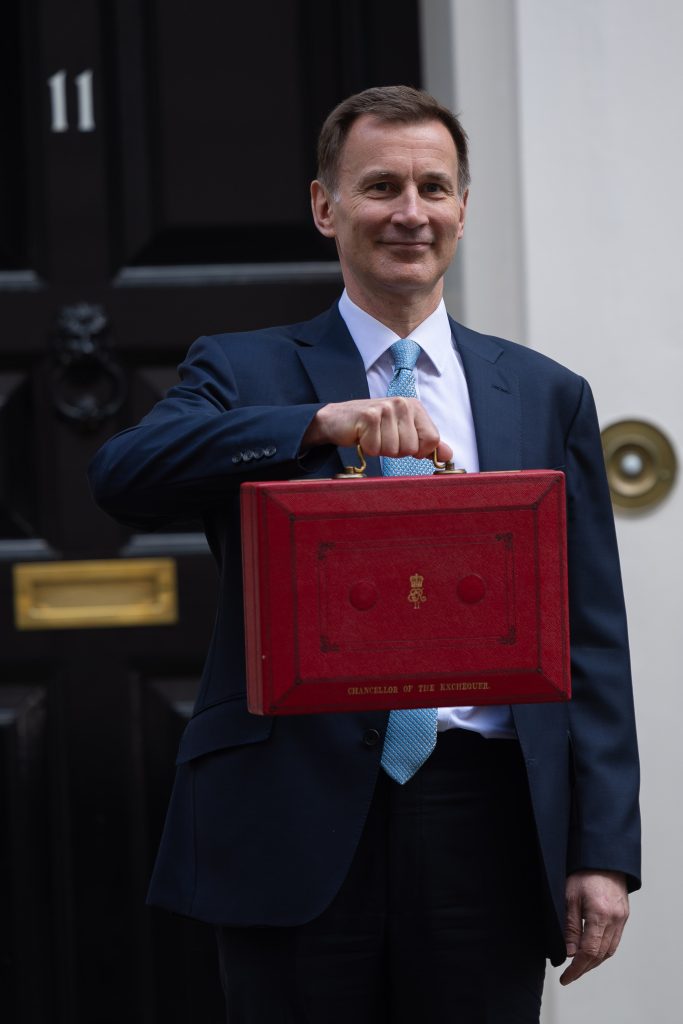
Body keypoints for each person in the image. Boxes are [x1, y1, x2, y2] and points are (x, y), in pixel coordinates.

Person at [89, 86, 640, 1023]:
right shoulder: (242, 370)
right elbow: (123, 474)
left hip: (488, 817)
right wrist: (314, 423)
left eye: (434, 188)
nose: (409, 213)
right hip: (290, 808)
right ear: (325, 206)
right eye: (380, 186)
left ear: (463, 207)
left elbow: (589, 633)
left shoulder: (546, 392)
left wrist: (602, 850)